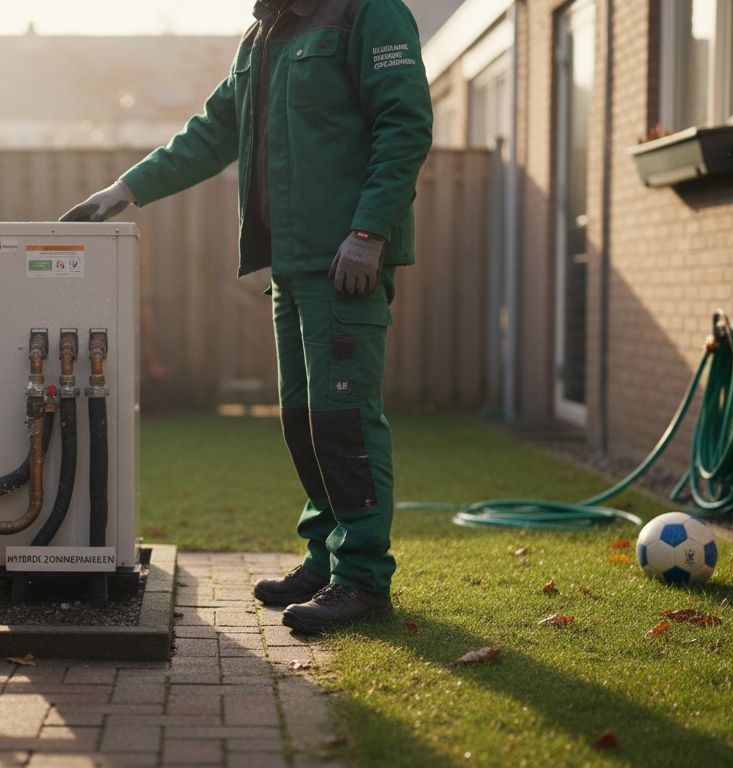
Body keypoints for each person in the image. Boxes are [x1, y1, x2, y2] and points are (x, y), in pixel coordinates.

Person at [61, 0, 432, 633]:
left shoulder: (368, 13)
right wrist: (126, 190)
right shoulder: (265, 34)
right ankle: (324, 559)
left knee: (343, 421)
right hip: (292, 265)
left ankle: (364, 578)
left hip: (346, 261)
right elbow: (212, 131)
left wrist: (369, 231)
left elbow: (405, 125)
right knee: (302, 420)